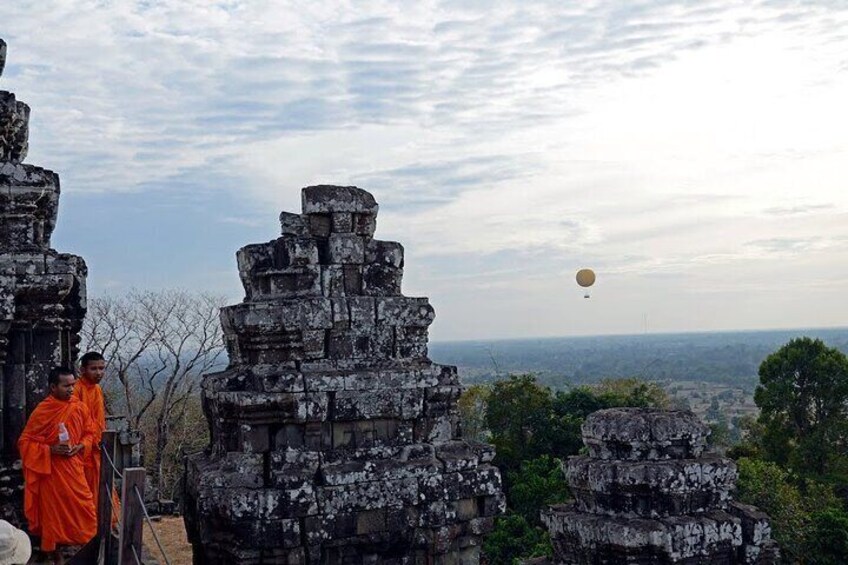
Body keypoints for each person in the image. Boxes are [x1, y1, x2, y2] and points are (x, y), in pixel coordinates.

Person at [18, 367, 97, 564]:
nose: (71, 389)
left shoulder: (79, 407)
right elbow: (25, 442)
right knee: (53, 517)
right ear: (53, 387)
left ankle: (89, 547)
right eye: (66, 386)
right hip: (51, 472)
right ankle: (56, 554)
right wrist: (50, 450)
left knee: (86, 508)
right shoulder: (43, 411)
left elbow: (90, 433)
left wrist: (81, 445)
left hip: (74, 468)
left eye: (73, 385)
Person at [74, 351, 108, 508]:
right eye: (93, 369)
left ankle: (100, 520)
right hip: (82, 447)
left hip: (97, 445)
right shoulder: (76, 389)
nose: (99, 373)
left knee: (100, 483)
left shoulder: (97, 389)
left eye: (101, 368)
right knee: (84, 488)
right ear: (82, 370)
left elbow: (99, 420)